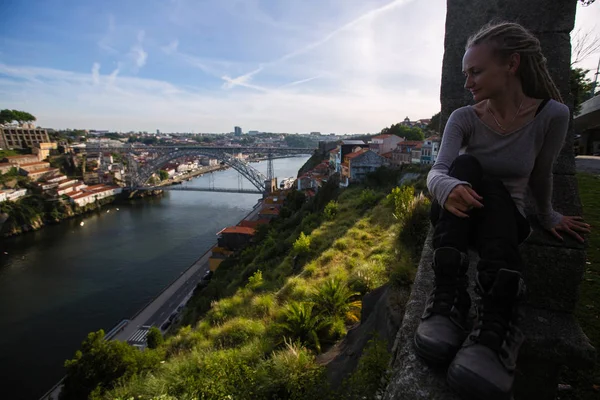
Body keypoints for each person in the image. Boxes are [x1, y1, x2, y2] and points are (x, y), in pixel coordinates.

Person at [414, 22, 591, 400]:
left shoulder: (553, 115)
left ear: (511, 64)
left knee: (489, 185)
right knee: (465, 169)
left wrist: (548, 216)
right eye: (465, 74)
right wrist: (450, 188)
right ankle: (451, 297)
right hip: (458, 217)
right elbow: (437, 172)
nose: (468, 83)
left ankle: (497, 318)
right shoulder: (464, 118)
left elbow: (542, 175)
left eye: (475, 72)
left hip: (505, 220)